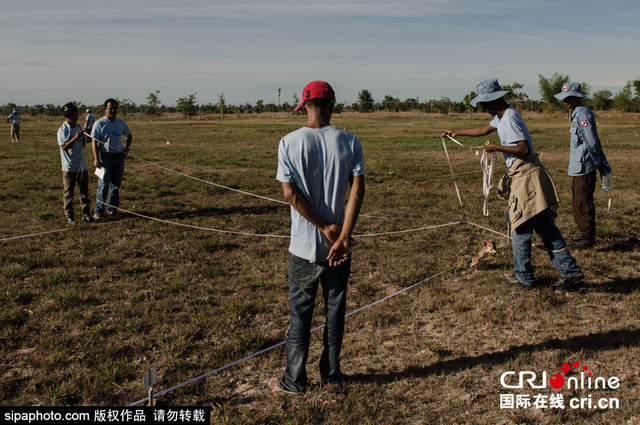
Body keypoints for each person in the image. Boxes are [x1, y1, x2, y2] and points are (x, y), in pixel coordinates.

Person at [270, 80, 365, 394]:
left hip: (302, 249)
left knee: (300, 316)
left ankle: (294, 380)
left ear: (304, 107)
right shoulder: (350, 142)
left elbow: (289, 194)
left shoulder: (288, 142)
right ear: (332, 105)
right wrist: (342, 237)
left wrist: (323, 227)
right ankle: (332, 373)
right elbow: (357, 191)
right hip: (339, 250)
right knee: (335, 312)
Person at [442, 79, 583, 289]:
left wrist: (496, 148)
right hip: (527, 175)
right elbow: (483, 129)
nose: (483, 108)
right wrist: (456, 132)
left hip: (525, 176)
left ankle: (524, 276)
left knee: (520, 228)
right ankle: (569, 271)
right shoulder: (502, 116)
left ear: (494, 100)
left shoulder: (509, 118)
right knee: (546, 227)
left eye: (484, 104)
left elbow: (524, 149)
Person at [554, 82, 608, 248]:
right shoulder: (577, 112)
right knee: (578, 201)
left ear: (577, 97)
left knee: (582, 202)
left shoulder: (582, 114)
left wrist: (599, 163)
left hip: (584, 166)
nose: (565, 101)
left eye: (569, 97)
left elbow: (591, 142)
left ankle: (587, 238)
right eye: (564, 98)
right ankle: (585, 234)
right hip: (579, 166)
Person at [91, 98, 132, 220]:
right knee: (103, 185)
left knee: (115, 185)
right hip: (105, 158)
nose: (113, 111)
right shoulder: (99, 124)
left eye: (115, 108)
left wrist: (127, 148)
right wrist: (96, 158)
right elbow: (94, 141)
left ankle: (112, 209)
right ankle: (99, 210)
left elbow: (129, 135)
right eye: (110, 108)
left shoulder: (121, 123)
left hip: (119, 158)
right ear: (105, 109)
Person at [58, 103, 91, 224]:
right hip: (69, 167)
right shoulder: (62, 130)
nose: (74, 116)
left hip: (81, 166)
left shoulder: (78, 128)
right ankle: (69, 216)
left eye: (76, 114)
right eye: (71, 115)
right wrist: (75, 138)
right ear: (66, 116)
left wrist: (87, 138)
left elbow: (81, 144)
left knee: (84, 192)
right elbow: (65, 146)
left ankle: (86, 213)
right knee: (69, 193)